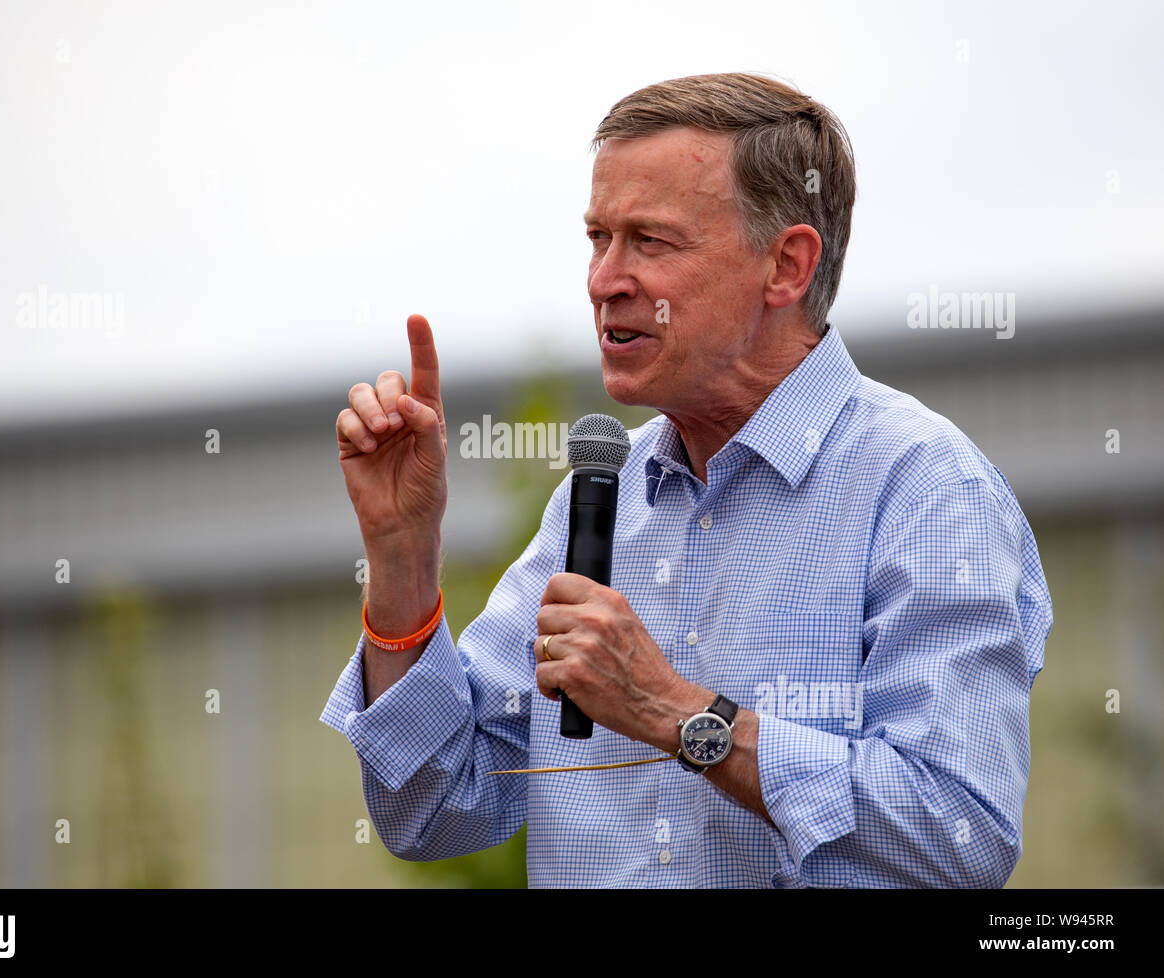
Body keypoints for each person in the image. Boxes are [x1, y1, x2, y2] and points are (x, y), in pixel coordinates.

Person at [321, 72, 1052, 887]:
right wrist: (402, 554)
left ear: (786, 266)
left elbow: (959, 838)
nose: (605, 279)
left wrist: (679, 716)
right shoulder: (597, 497)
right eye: (598, 238)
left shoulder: (924, 489)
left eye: (651, 241)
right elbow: (430, 808)